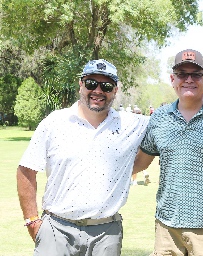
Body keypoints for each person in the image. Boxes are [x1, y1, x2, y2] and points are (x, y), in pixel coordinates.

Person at [17, 59, 150, 255]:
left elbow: (171, 119)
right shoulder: (54, 122)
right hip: (56, 230)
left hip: (106, 234)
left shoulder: (133, 124)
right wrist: (32, 221)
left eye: (106, 86)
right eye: (91, 83)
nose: (98, 90)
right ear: (80, 84)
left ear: (115, 90)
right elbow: (26, 170)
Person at [133, 49, 203, 255]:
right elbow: (140, 162)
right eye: (182, 74)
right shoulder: (159, 118)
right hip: (166, 228)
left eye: (195, 74)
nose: (189, 79)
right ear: (172, 79)